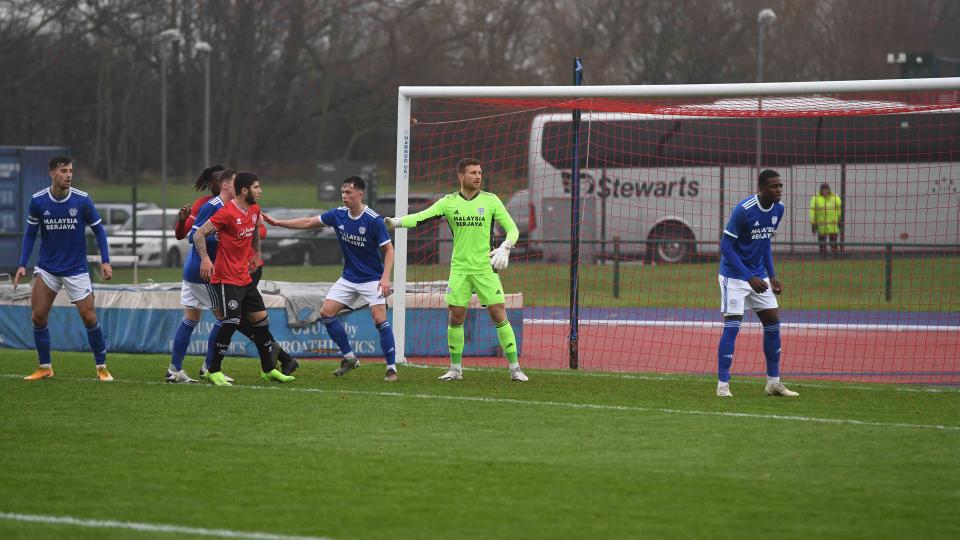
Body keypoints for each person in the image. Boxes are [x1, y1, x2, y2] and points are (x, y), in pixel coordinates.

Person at [385, 158, 527, 382]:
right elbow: (422, 217)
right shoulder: (448, 202)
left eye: (480, 172)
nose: (478, 176)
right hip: (459, 270)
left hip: (485, 268)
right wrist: (396, 222)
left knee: (498, 312)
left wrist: (505, 247)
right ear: (461, 176)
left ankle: (515, 368)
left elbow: (512, 230)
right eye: (472, 173)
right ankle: (455, 369)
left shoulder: (491, 200)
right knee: (456, 316)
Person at [263, 176, 398, 381]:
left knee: (380, 319)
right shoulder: (338, 215)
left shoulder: (373, 220)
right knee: (326, 312)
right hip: (349, 278)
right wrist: (278, 222)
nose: (344, 196)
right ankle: (350, 358)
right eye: (343, 192)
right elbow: (309, 222)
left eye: (349, 193)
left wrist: (385, 277)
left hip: (372, 279)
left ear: (360, 194)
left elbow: (389, 250)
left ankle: (391, 368)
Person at [187, 171, 299, 382]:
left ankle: (268, 369)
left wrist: (256, 253)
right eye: (257, 187)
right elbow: (198, 234)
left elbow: (256, 230)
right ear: (244, 190)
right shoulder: (226, 213)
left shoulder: (254, 210)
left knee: (262, 321)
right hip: (226, 278)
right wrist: (205, 259)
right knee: (231, 321)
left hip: (245, 277)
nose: (261, 191)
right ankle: (213, 370)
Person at [13, 155, 114, 381]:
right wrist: (22, 264)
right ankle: (45, 367)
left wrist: (105, 260)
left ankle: (101, 366)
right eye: (63, 171)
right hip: (47, 268)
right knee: (38, 317)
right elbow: (30, 235)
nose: (68, 175)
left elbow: (99, 230)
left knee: (89, 318)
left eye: (70, 171)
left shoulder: (82, 200)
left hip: (76, 268)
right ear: (52, 173)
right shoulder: (38, 201)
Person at [716, 169, 798, 398]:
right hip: (733, 275)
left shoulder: (778, 210)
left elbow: (764, 244)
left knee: (773, 322)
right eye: (774, 186)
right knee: (732, 326)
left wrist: (771, 276)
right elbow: (726, 247)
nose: (779, 190)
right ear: (761, 188)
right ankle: (723, 385)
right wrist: (747, 277)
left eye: (780, 186)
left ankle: (774, 383)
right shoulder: (744, 210)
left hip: (758, 275)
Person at [166, 165, 224, 383]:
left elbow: (260, 230)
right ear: (212, 184)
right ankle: (209, 367)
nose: (225, 183)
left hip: (193, 269)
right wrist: (183, 220)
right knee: (224, 319)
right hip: (202, 269)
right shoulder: (206, 205)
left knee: (190, 319)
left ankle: (174, 370)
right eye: (220, 180)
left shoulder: (230, 204)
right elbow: (188, 235)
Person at [809, 183, 842, 259]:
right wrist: (813, 223)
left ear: (829, 190)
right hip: (821, 225)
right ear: (821, 190)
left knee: (833, 242)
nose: (825, 191)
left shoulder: (835, 198)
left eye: (826, 189)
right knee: (822, 243)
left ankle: (835, 256)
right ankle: (823, 256)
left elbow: (839, 209)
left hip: (833, 225)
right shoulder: (816, 198)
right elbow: (812, 211)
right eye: (823, 190)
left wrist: (840, 220)